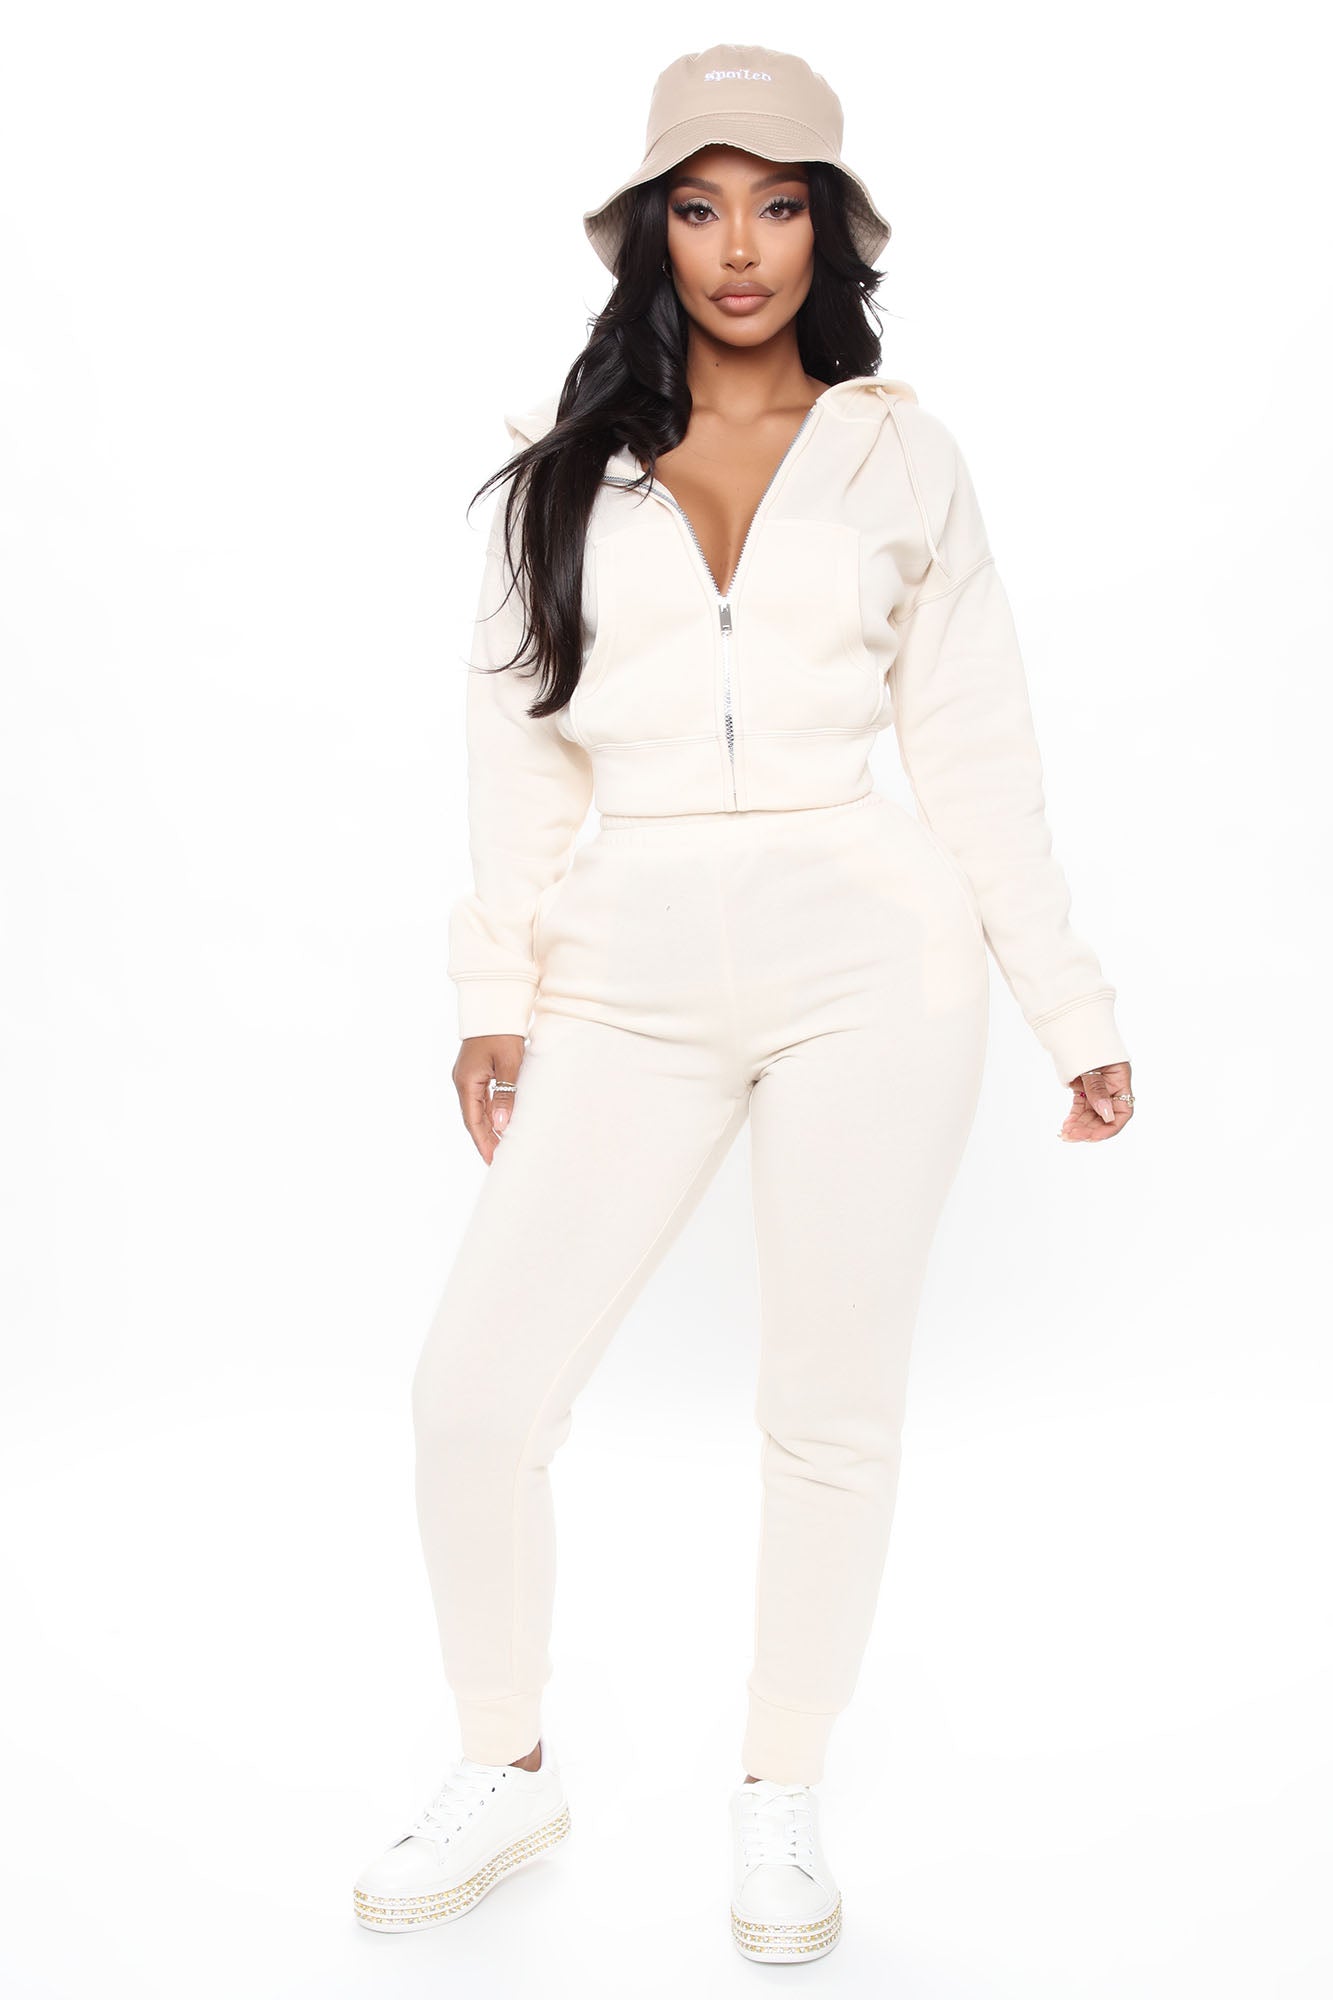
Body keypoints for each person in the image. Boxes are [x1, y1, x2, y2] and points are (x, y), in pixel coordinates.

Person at [353, 42, 1135, 1963]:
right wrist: (493, 986)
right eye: (698, 207)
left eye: (778, 206)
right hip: (621, 968)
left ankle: (779, 1785)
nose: (737, 248)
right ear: (648, 234)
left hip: (872, 960)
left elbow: (975, 749)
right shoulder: (558, 478)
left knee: (826, 1399)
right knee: (473, 1396)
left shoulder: (901, 460)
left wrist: (1071, 1005)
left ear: (828, 232)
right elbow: (516, 755)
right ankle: (504, 1763)